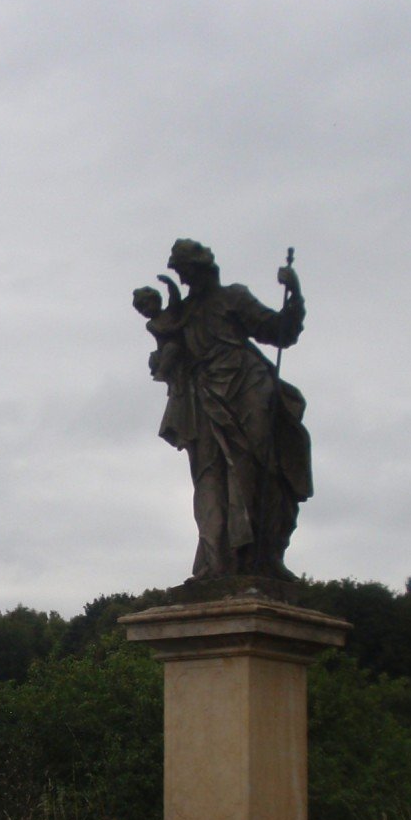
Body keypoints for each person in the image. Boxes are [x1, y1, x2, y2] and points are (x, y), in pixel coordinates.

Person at [135, 238, 310, 580]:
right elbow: (168, 356)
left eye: (187, 272)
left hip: (247, 389)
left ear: (203, 268)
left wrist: (295, 293)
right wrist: (161, 361)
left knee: (257, 471)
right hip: (204, 402)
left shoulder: (233, 297)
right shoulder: (181, 315)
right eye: (180, 275)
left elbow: (280, 332)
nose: (185, 281)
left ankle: (260, 556)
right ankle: (218, 561)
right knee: (209, 480)